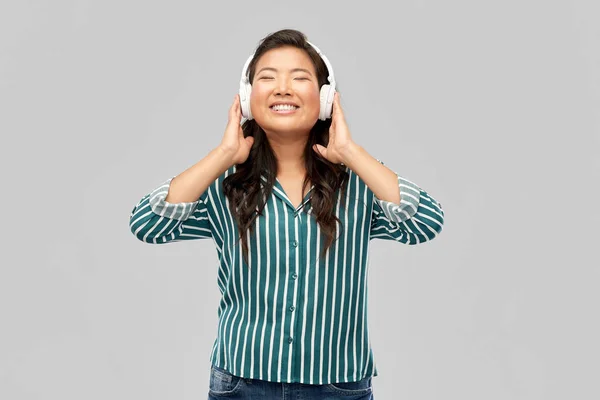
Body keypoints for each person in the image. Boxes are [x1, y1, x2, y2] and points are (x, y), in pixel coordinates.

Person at [129, 28, 444, 400]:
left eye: (299, 78)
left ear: (326, 99)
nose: (282, 88)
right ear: (247, 99)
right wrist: (223, 155)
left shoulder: (358, 181)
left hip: (337, 386)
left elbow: (426, 222)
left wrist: (351, 151)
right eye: (267, 78)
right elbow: (147, 224)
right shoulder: (226, 183)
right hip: (242, 385)